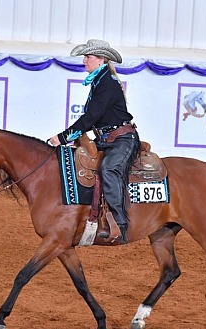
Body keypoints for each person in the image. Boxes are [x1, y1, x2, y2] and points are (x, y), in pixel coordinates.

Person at [49, 39, 140, 244]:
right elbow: (95, 118)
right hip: (108, 140)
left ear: (101, 60)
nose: (84, 61)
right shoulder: (101, 81)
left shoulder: (106, 83)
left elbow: (91, 117)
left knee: (108, 169)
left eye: (88, 57)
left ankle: (120, 223)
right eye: (85, 57)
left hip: (122, 140)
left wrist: (63, 137)